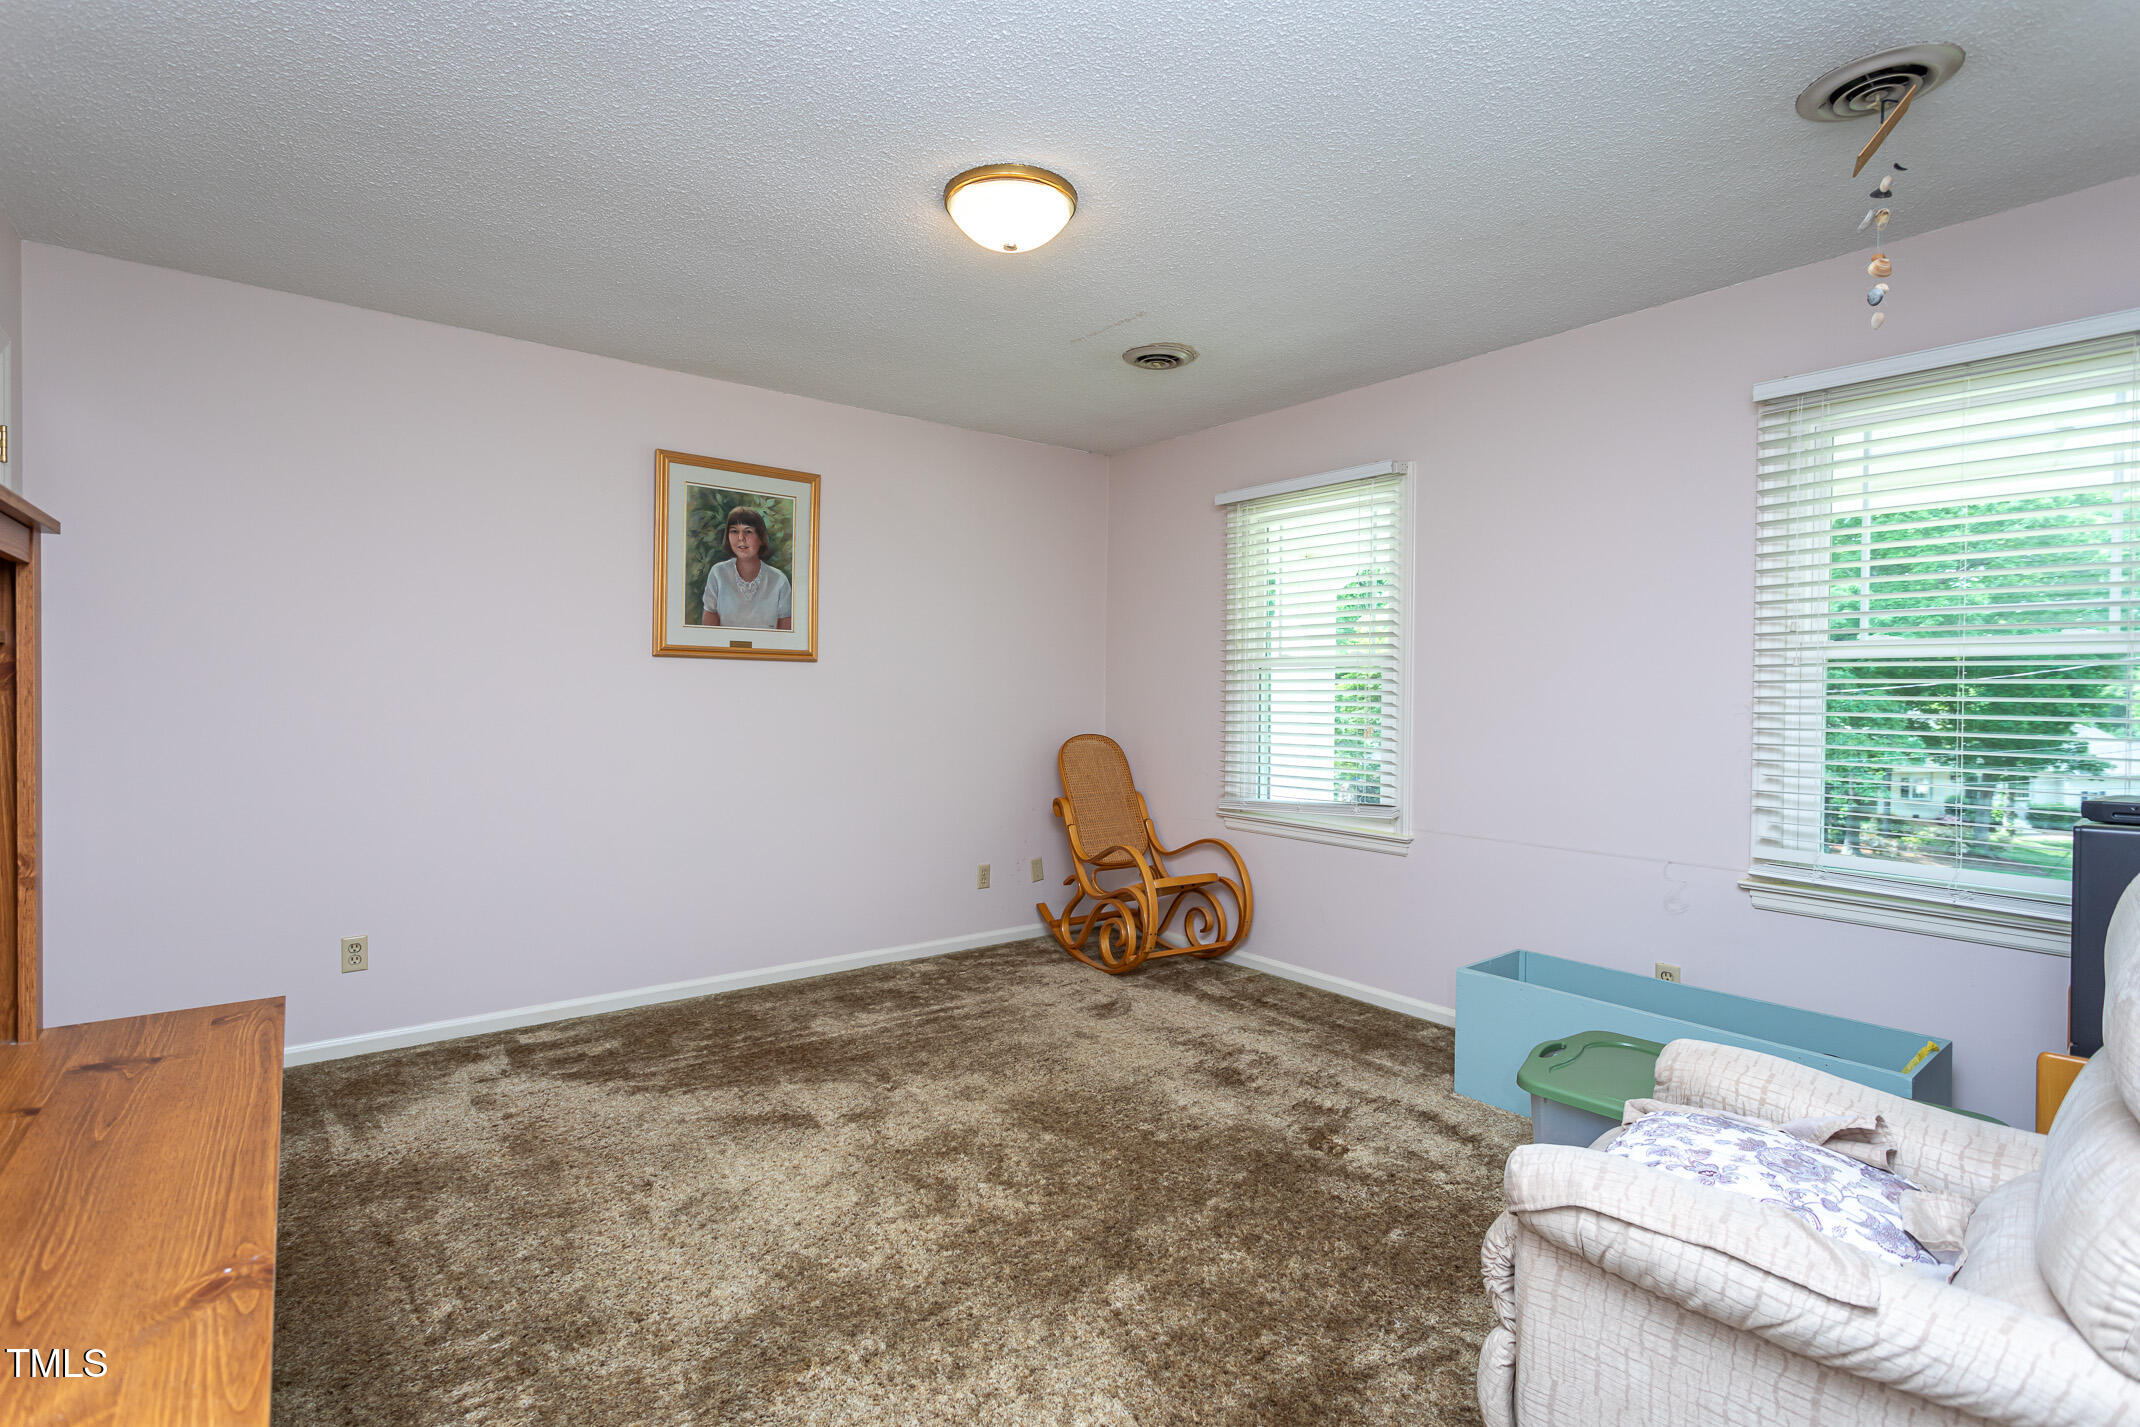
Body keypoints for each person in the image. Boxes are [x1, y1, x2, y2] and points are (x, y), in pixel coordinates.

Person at [701, 506, 793, 630]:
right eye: (734, 531)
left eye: (748, 531)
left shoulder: (779, 580)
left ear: (761, 538)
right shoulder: (718, 573)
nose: (741, 538)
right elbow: (709, 630)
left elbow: (785, 634)